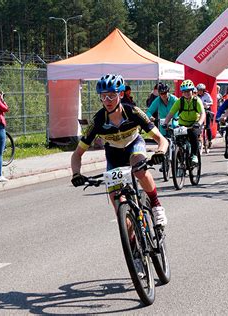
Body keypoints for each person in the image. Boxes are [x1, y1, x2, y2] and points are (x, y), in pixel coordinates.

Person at [71, 74, 169, 226]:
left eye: (112, 96)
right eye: (103, 97)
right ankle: (133, 244)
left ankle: (156, 205)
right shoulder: (98, 121)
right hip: (114, 154)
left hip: (134, 145)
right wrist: (76, 173)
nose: (107, 101)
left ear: (121, 94)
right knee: (123, 219)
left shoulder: (133, 112)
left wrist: (160, 152)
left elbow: (161, 139)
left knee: (139, 170)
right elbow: (77, 154)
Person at [163, 79, 206, 165]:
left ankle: (194, 155)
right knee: (178, 141)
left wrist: (199, 123)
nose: (186, 93)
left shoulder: (196, 100)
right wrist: (165, 123)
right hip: (183, 124)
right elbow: (170, 113)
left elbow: (202, 113)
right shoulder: (180, 101)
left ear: (192, 91)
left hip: (195, 124)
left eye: (188, 91)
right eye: (184, 91)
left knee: (193, 135)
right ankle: (180, 161)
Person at [196, 83, 214, 148]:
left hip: (207, 111)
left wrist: (207, 103)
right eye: (199, 90)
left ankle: (209, 140)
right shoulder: (196, 96)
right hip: (199, 112)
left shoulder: (207, 95)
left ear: (204, 90)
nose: (200, 91)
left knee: (208, 127)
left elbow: (212, 102)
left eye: (201, 90)